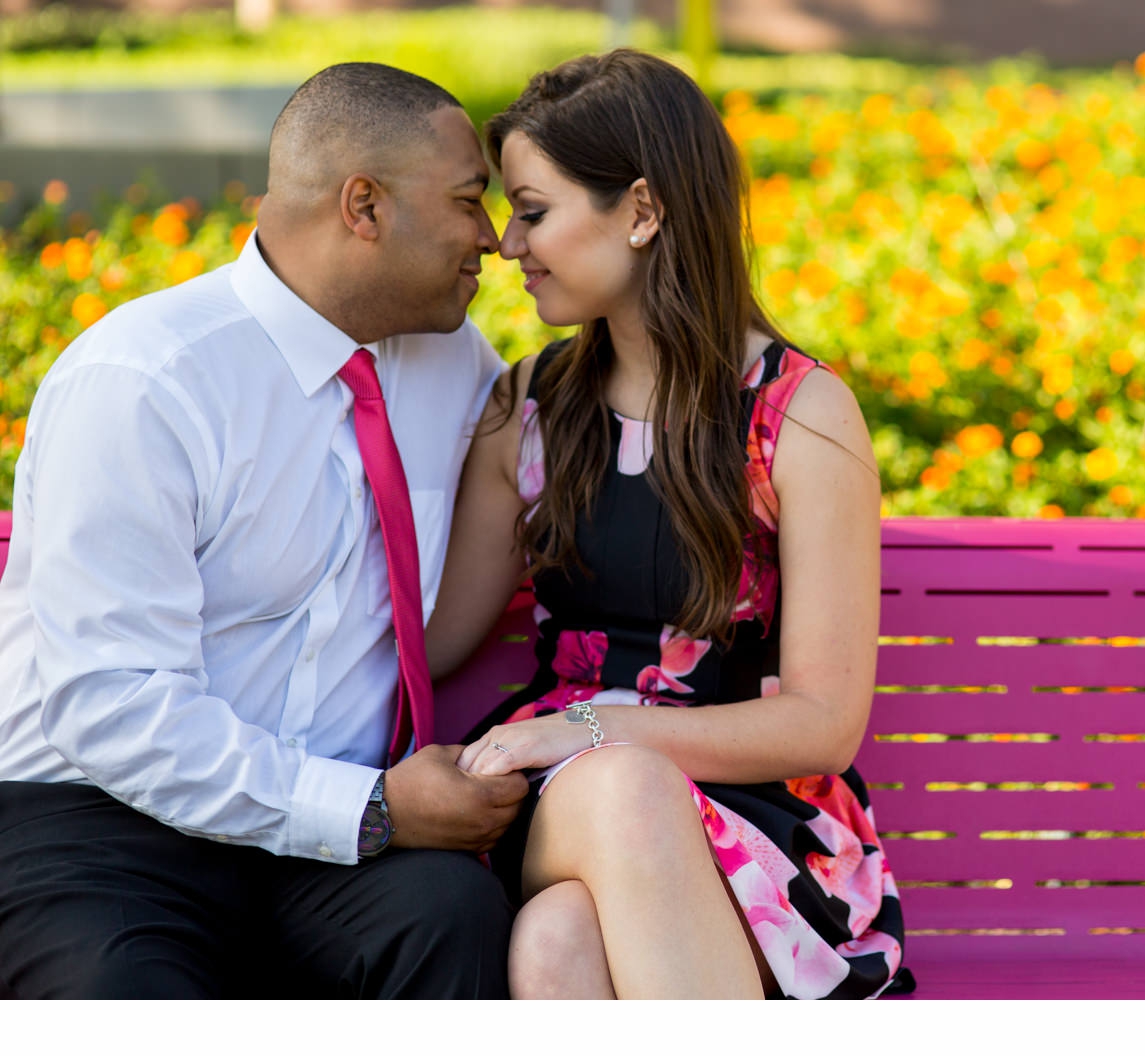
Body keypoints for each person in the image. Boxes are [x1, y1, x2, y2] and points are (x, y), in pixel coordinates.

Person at [0, 62, 528, 999]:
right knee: (121, 991)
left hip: (323, 853)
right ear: (363, 206)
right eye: (469, 201)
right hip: (94, 820)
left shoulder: (453, 363)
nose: (492, 239)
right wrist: (366, 809)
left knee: (452, 914)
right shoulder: (147, 381)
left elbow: (590, 410)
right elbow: (111, 706)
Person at [425, 49, 912, 1000]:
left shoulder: (798, 416)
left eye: (532, 212)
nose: (507, 246)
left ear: (642, 212)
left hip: (763, 826)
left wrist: (593, 730)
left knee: (557, 946)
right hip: (566, 796)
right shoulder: (524, 409)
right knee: (621, 788)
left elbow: (821, 726)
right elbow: (433, 640)